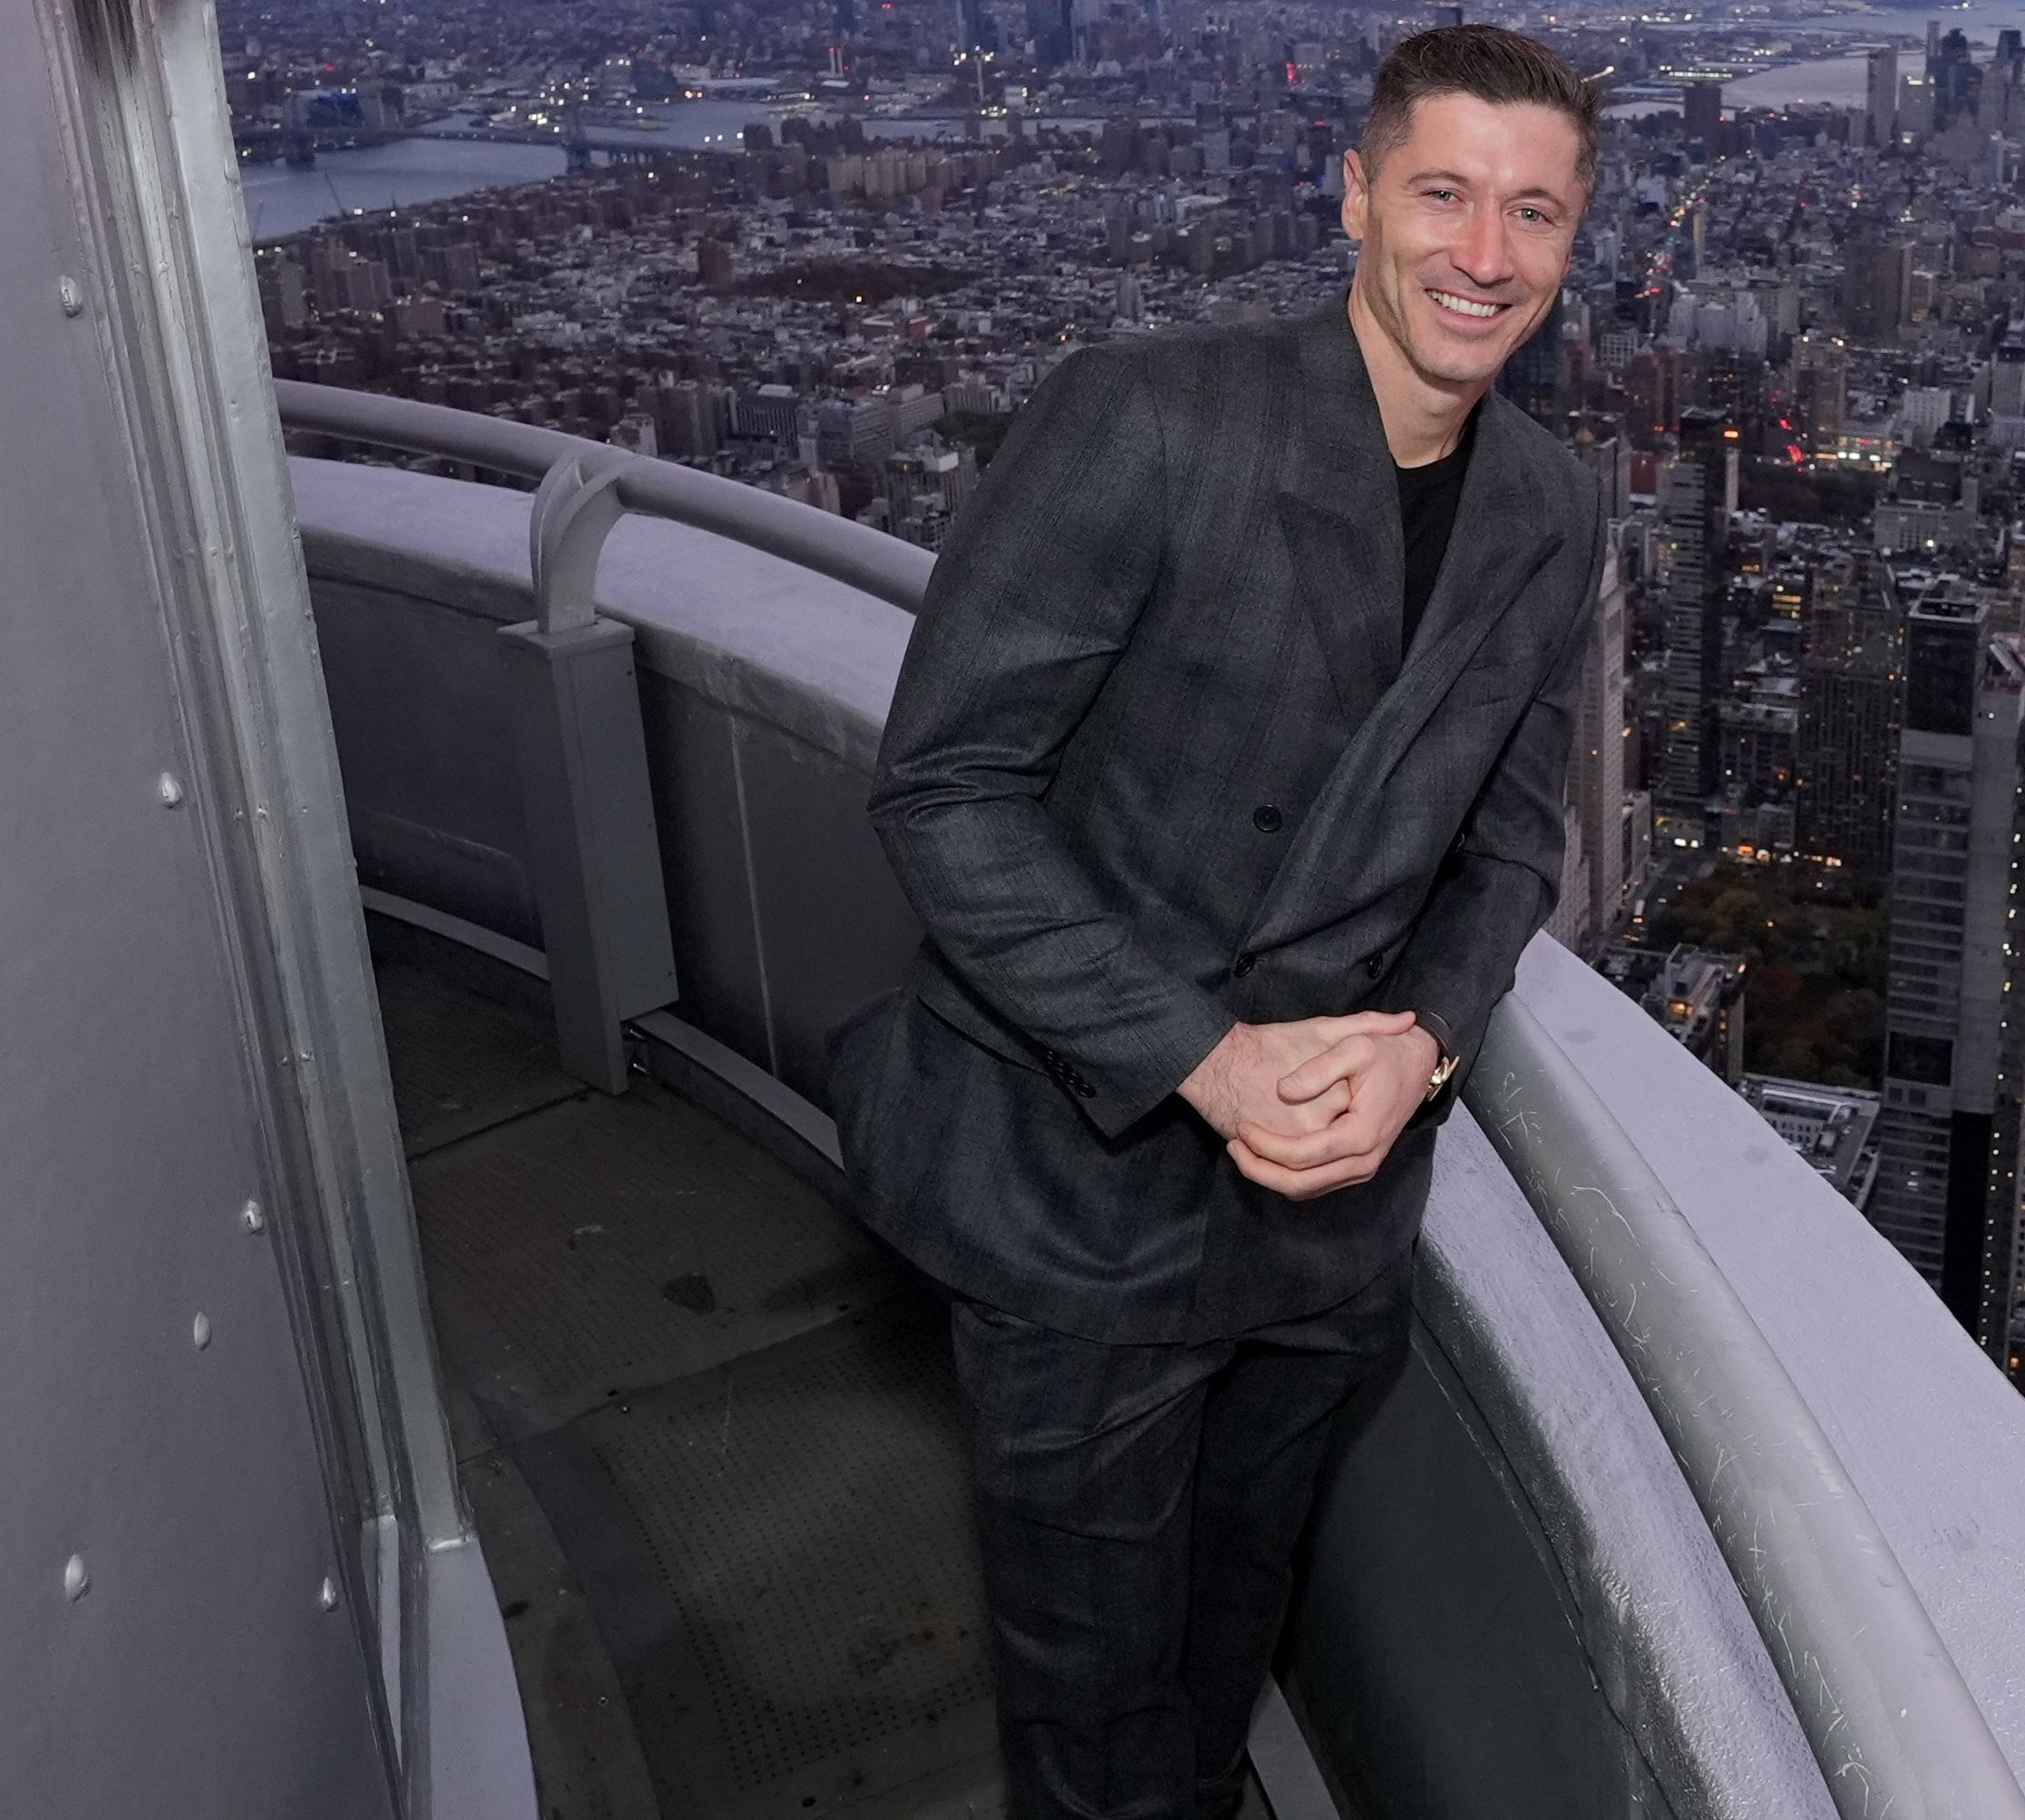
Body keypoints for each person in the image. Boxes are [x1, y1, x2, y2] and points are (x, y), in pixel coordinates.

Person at [827, 25, 1604, 1820]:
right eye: (1442, 192)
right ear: (1352, 196)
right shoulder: (1147, 414)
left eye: (1534, 211)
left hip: (1324, 1236)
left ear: (1571, 247)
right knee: (1091, 1714)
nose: (1484, 250)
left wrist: (1421, 1039)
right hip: (1078, 1211)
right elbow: (943, 783)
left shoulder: (1553, 509)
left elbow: (1510, 837)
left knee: (1220, 1644)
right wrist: (1198, 1053)